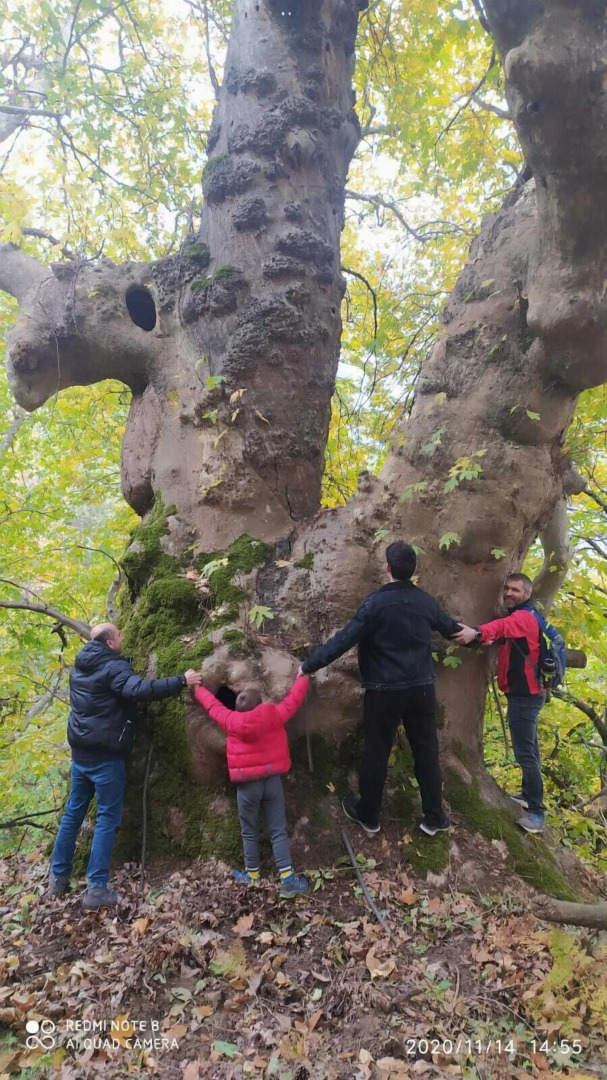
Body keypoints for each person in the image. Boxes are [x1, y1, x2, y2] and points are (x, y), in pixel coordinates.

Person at [299, 541, 462, 837]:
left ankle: (369, 815)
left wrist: (309, 665)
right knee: (426, 751)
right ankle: (434, 817)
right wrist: (478, 636)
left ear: (387, 569)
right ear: (414, 571)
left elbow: (344, 640)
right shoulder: (425, 601)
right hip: (422, 689)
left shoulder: (375, 604)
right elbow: (452, 629)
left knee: (376, 750)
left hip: (385, 689)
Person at [48, 623, 201, 909]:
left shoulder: (80, 667)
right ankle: (96, 888)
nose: (123, 637)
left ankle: (57, 878)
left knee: (72, 813)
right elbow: (139, 689)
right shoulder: (112, 667)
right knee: (107, 818)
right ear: (109, 643)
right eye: (118, 634)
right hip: (106, 756)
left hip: (81, 753)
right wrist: (182, 680)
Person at [193, 674, 309, 897]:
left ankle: (252, 875)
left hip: (247, 786)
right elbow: (293, 700)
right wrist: (304, 676)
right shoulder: (273, 714)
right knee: (277, 830)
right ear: (261, 704)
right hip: (271, 780)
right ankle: (287, 879)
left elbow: (213, 706)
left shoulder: (230, 720)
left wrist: (198, 690)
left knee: (249, 832)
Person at [452, 573, 546, 834]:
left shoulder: (523, 618)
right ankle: (528, 796)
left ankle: (537, 814)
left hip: (525, 696)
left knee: (526, 753)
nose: (509, 593)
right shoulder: (528, 616)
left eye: (515, 590)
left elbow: (501, 627)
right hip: (526, 694)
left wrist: (477, 631)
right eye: (506, 588)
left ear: (527, 594)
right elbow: (504, 637)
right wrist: (482, 639)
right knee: (531, 750)